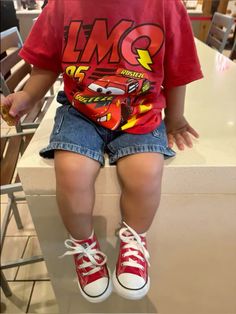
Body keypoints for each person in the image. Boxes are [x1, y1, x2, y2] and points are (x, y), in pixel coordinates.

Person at [1, 0, 203, 303]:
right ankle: (84, 245)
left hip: (141, 110)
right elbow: (46, 61)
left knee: (147, 172)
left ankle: (134, 240)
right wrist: (29, 96)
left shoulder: (166, 5)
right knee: (70, 171)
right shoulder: (61, 5)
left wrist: (175, 118)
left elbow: (178, 67)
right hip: (81, 110)